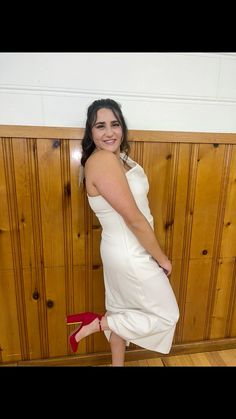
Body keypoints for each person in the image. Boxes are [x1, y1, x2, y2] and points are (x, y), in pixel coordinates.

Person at [66, 98, 179, 366]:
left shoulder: (121, 159)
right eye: (100, 126)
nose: (109, 132)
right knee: (166, 316)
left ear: (123, 127)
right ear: (90, 132)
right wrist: (161, 257)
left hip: (123, 248)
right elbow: (135, 220)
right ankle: (97, 323)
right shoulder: (103, 160)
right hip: (130, 252)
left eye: (115, 124)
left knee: (122, 312)